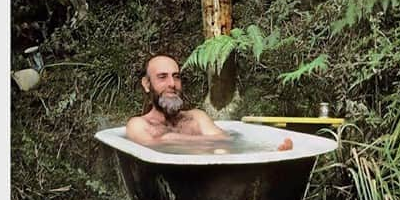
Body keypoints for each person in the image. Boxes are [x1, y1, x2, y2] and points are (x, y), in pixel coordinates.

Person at [125, 54, 293, 150]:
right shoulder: (139, 124)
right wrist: (170, 138)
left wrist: (267, 148)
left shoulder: (196, 117)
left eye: (176, 77)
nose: (172, 84)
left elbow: (227, 140)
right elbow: (152, 145)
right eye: (162, 77)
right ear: (147, 84)